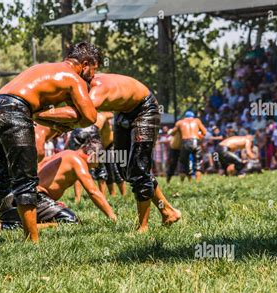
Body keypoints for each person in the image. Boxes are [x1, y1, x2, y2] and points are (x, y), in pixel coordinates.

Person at [0, 41, 101, 243]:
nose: (94, 76)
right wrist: (45, 114)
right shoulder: (74, 78)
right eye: (94, 70)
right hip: (15, 112)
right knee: (25, 181)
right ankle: (32, 241)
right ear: (85, 63)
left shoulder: (42, 68)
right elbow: (89, 117)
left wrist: (42, 117)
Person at [37, 73, 181, 232]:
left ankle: (143, 227)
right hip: (123, 113)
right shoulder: (84, 88)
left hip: (144, 110)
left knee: (139, 170)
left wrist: (39, 114)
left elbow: (82, 113)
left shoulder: (98, 88)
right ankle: (168, 211)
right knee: (124, 169)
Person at [0, 140, 116, 231]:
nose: (97, 166)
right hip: (32, 197)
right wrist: (112, 217)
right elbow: (93, 191)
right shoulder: (77, 160)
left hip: (18, 195)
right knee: (70, 222)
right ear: (92, 155)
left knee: (17, 225)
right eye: (98, 161)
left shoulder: (65, 154)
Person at [171, 111, 207, 183]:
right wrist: (198, 136)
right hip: (196, 141)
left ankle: (187, 181)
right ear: (193, 116)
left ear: (185, 116)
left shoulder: (180, 122)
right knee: (197, 163)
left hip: (186, 142)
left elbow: (172, 133)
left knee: (184, 163)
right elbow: (204, 132)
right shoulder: (197, 121)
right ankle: (197, 182)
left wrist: (180, 132)